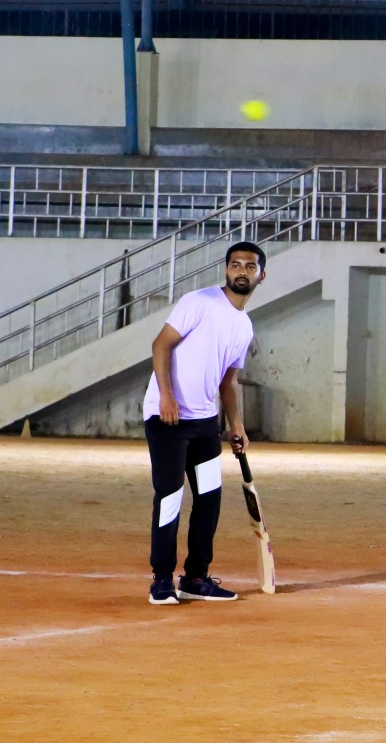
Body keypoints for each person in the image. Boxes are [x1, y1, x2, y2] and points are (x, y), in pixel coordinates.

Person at [142, 241, 265, 605]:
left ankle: (196, 577)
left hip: (205, 424)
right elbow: (160, 345)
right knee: (170, 498)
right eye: (235, 264)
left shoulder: (244, 326)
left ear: (261, 274)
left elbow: (229, 382)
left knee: (209, 500)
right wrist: (166, 395)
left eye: (249, 266)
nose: (242, 271)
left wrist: (236, 425)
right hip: (167, 419)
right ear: (226, 269)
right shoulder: (198, 302)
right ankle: (162, 580)